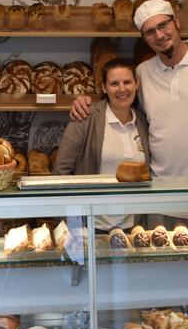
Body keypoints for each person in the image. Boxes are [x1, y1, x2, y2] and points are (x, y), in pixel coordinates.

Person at [71, 0, 188, 180]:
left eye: (163, 25)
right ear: (144, 39)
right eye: (150, 32)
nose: (159, 36)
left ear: (176, 22)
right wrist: (86, 102)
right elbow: (118, 106)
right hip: (161, 191)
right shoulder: (142, 72)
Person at [55, 57, 150, 231]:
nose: (122, 89)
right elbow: (61, 171)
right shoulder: (86, 117)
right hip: (92, 225)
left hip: (132, 225)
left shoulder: (143, 121)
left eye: (127, 82)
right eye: (114, 84)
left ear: (136, 84)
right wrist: (72, 223)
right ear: (104, 87)